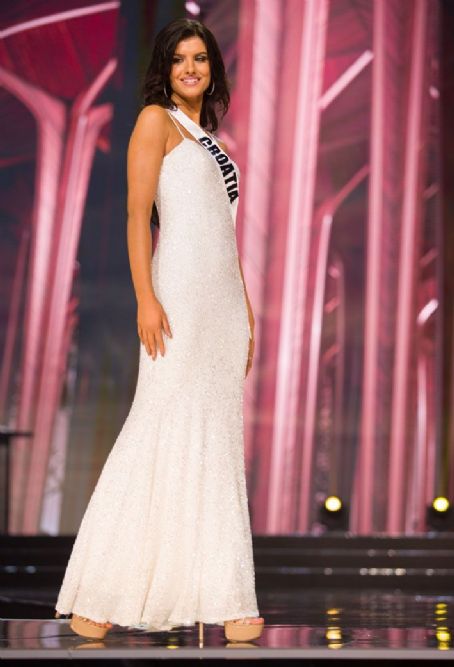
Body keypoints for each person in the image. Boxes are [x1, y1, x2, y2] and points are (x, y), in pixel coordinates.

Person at [54, 17, 264, 644]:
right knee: (156, 430)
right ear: (165, 69)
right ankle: (101, 592)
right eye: (180, 60)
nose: (191, 69)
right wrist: (146, 297)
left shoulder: (212, 140)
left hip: (222, 309)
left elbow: (223, 239)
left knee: (217, 449)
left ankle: (227, 597)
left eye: (201, 58)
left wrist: (246, 311)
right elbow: (134, 215)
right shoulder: (156, 122)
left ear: (213, 68)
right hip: (173, 300)